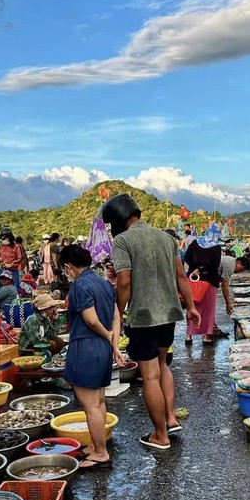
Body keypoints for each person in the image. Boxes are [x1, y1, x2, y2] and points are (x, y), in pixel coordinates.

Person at [102, 193, 200, 451]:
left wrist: (118, 313)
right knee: (162, 365)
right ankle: (170, 418)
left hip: (144, 316)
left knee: (149, 377)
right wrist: (191, 307)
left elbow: (123, 281)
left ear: (117, 220)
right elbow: (182, 277)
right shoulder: (167, 238)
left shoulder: (123, 240)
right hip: (169, 313)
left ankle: (160, 435)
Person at [59, 244, 124, 470]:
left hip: (86, 346)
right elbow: (116, 315)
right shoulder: (105, 283)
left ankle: (100, 452)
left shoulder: (79, 286)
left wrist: (106, 335)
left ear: (68, 266)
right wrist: (114, 345)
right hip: (102, 348)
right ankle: (98, 445)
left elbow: (90, 319)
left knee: (90, 405)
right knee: (99, 401)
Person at [184, 225, 223, 345]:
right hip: (209, 281)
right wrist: (202, 269)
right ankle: (206, 336)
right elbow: (215, 265)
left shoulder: (195, 243)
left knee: (192, 306)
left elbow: (186, 257)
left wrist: (195, 269)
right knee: (208, 309)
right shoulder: (216, 247)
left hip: (194, 280)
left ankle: (189, 335)